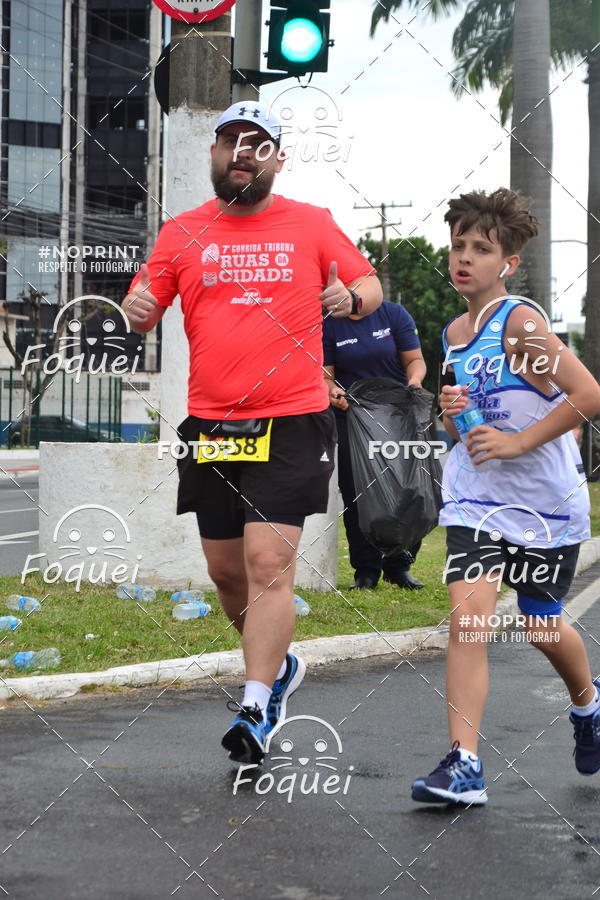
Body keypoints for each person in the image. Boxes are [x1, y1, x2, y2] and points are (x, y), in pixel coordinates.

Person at [122, 101, 382, 766]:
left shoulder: (311, 223)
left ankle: (257, 705)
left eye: (258, 143)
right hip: (212, 422)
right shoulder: (181, 231)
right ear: (214, 153)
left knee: (268, 564)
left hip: (292, 416)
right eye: (231, 140)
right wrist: (136, 307)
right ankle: (278, 665)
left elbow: (368, 284)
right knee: (227, 573)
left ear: (277, 159)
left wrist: (351, 298)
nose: (243, 151)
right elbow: (143, 306)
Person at [411, 188, 600, 806]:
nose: (464, 258)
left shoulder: (519, 323)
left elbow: (588, 395)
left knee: (541, 626)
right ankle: (464, 764)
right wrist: (451, 413)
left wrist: (519, 442)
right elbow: (465, 426)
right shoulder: (454, 333)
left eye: (481, 249)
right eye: (458, 246)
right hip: (477, 499)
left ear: (508, 263)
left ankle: (588, 705)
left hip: (544, 504)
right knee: (469, 620)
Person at [322, 301, 427, 589]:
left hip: (396, 413)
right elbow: (326, 376)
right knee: (357, 494)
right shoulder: (329, 322)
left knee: (406, 489)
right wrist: (332, 391)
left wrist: (414, 381)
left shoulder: (394, 314)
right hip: (351, 417)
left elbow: (414, 360)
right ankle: (366, 571)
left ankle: (399, 565)